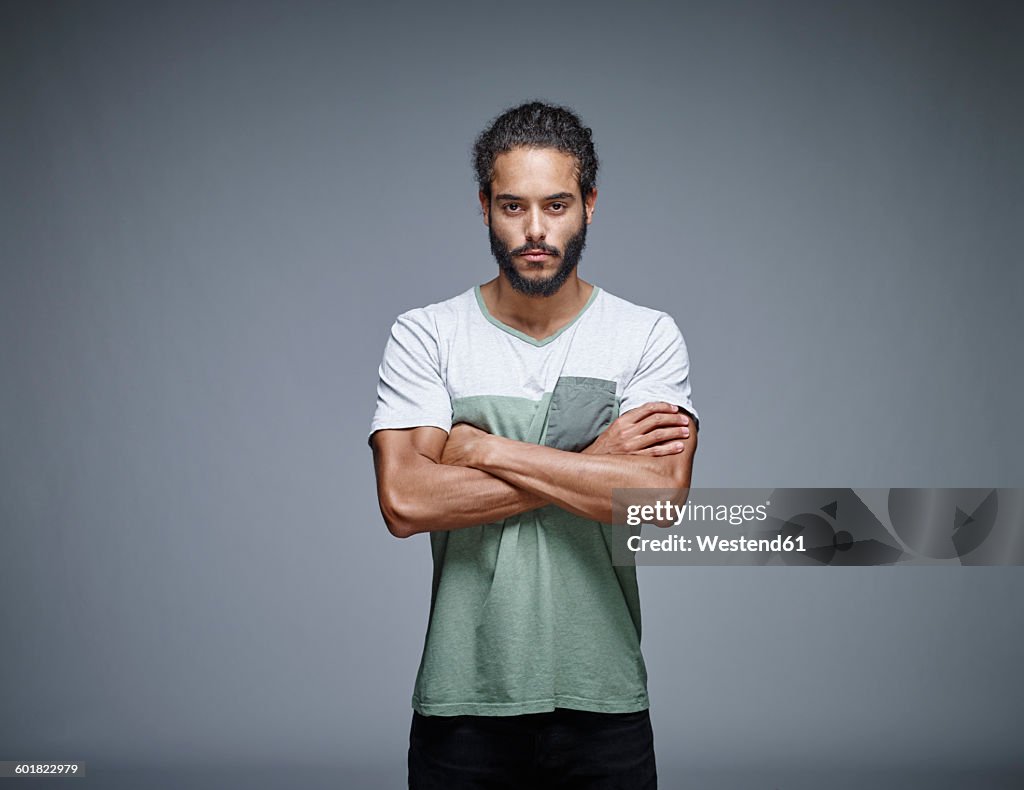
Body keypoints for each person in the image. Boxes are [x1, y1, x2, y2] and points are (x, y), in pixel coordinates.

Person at [369, 101, 699, 789]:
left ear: (589, 204)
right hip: (463, 696)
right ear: (485, 206)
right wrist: (593, 463)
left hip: (603, 695)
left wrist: (483, 449)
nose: (536, 230)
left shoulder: (645, 336)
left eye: (556, 205)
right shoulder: (427, 334)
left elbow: (658, 498)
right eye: (513, 207)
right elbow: (404, 501)